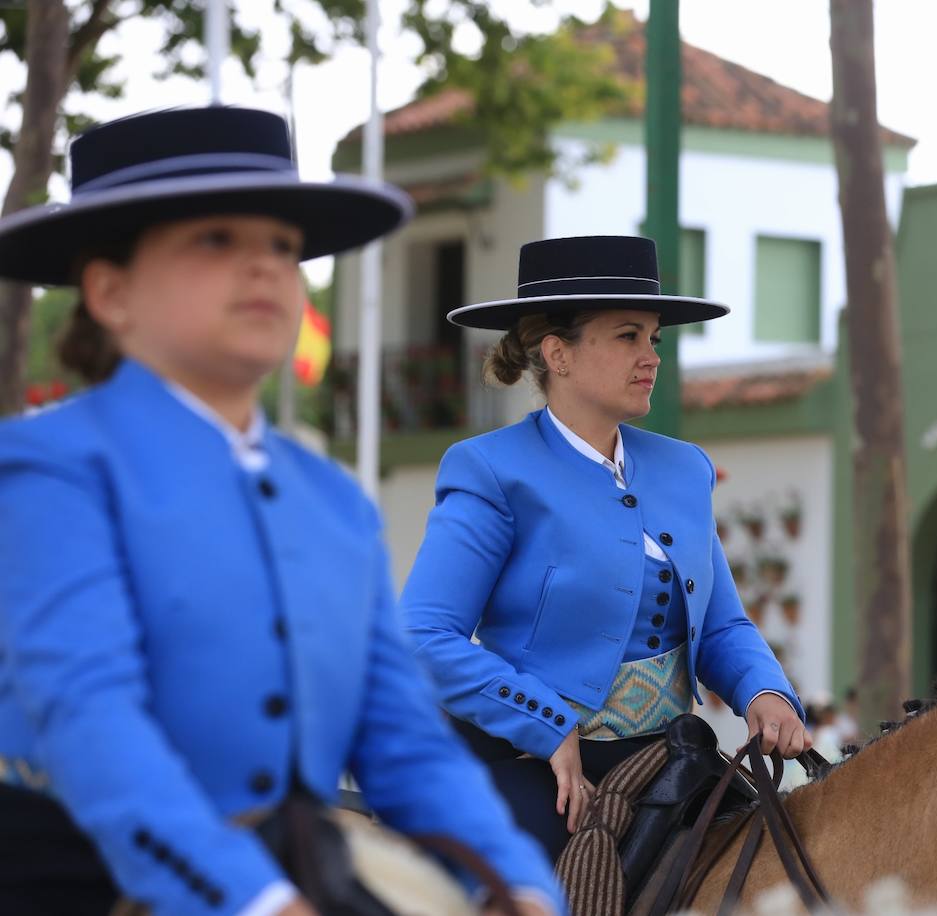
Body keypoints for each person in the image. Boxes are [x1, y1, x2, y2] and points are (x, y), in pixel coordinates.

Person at [0, 107, 560, 916]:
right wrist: (254, 900)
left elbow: (406, 745)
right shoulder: (47, 471)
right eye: (217, 240)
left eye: (283, 248)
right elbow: (91, 722)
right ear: (111, 290)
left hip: (304, 868)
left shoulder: (332, 499)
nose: (264, 268)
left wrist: (521, 886)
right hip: (81, 880)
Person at [400, 235, 810, 862]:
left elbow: (721, 623)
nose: (651, 356)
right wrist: (544, 722)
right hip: (533, 762)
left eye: (655, 339)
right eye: (628, 337)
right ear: (557, 353)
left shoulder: (683, 468)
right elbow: (425, 635)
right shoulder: (489, 469)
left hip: (672, 759)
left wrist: (766, 692)